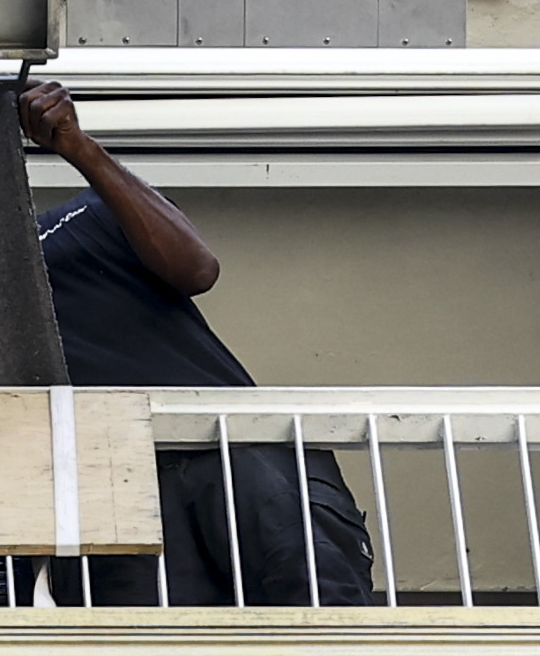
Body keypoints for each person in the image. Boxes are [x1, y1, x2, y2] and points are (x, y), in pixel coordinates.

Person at [19, 76, 378, 606]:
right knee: (156, 649)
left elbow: (198, 268)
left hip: (232, 450)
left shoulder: (78, 219)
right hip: (113, 488)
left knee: (319, 607)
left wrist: (79, 148)